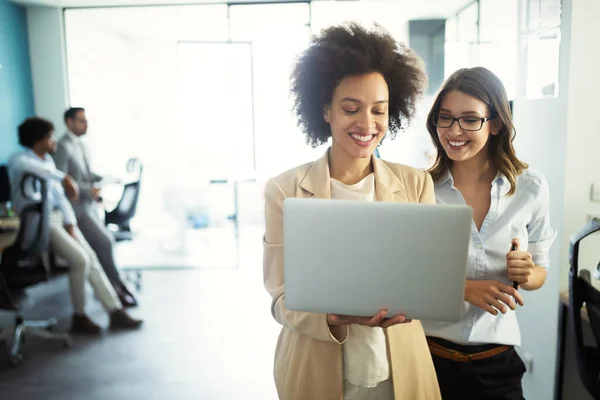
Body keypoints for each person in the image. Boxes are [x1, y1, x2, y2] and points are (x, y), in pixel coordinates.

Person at [262, 22, 441, 400]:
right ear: (325, 110)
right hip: (318, 366)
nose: (366, 124)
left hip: (399, 369)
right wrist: (332, 317)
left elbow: (427, 280)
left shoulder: (415, 184)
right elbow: (280, 299)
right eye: (350, 109)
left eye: (379, 110)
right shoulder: (285, 190)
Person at [421, 67, 557, 399]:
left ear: (495, 124)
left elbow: (541, 271)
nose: (454, 130)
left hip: (498, 365)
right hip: (428, 358)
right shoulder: (421, 189)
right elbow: (406, 275)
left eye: (470, 119)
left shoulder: (530, 188)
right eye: (446, 118)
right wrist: (463, 288)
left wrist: (527, 273)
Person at [8, 117, 143, 334]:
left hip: (59, 219)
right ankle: (79, 316)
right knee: (80, 260)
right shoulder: (19, 161)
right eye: (50, 136)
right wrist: (64, 177)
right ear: (38, 139)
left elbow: (61, 199)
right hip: (39, 222)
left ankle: (115, 310)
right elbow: (37, 170)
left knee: (91, 259)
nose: (54, 141)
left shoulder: (48, 162)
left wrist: (71, 223)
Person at [52, 107, 138, 307]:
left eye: (86, 120)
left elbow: (85, 174)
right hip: (77, 209)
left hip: (89, 205)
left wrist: (105, 179)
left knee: (103, 245)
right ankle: (116, 286)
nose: (86, 124)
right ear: (69, 122)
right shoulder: (63, 147)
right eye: (81, 120)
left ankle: (115, 285)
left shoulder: (81, 145)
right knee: (105, 242)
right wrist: (89, 190)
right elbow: (65, 182)